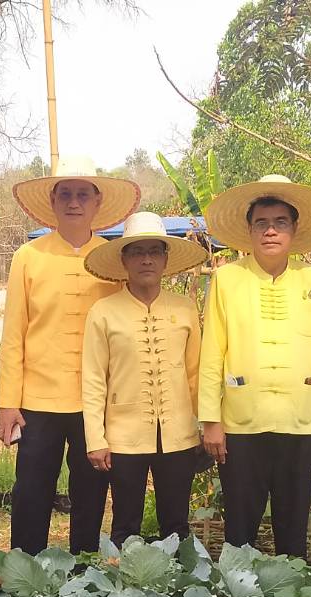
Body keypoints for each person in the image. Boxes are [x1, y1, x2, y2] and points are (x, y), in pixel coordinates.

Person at [0, 155, 141, 554]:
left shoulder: (113, 260)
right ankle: (24, 568)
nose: (74, 202)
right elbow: (13, 334)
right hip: (38, 400)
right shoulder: (29, 256)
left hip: (94, 401)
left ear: (97, 203)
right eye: (65, 194)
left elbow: (122, 331)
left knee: (91, 490)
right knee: (31, 489)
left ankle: (84, 571)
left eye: (83, 194)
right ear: (53, 201)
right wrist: (8, 402)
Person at [199, 174, 311, 557]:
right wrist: (210, 419)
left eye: (280, 223)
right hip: (241, 418)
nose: (270, 231)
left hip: (300, 419)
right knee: (240, 524)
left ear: (294, 230)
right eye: (261, 223)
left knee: (292, 521)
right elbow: (213, 351)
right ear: (249, 230)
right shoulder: (228, 279)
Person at [81, 211, 208, 546]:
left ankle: (179, 593)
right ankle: (126, 591)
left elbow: (196, 373)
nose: (146, 259)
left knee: (177, 524)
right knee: (126, 523)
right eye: (137, 251)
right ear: (124, 259)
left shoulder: (184, 309)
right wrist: (96, 437)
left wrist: (209, 424)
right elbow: (94, 378)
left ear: (166, 259)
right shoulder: (104, 312)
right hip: (123, 435)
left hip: (178, 434)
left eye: (154, 251)